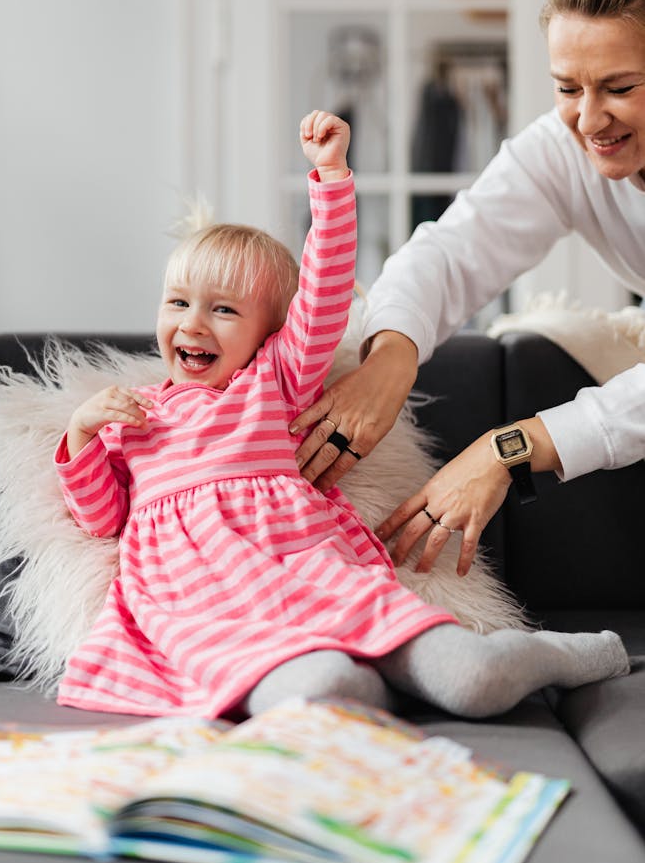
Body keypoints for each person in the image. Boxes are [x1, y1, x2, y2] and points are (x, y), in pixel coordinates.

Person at [55, 110, 628, 722]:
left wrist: (330, 180)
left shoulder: (271, 383)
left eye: (223, 310)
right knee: (323, 692)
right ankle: (367, 688)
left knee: (474, 679)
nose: (193, 323)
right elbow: (101, 518)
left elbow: (325, 293)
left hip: (316, 584)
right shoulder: (132, 418)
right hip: (204, 621)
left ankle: (561, 657)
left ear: (268, 334)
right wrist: (81, 434)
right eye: (178, 303)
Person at [290, 0, 645, 582]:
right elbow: (451, 251)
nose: (590, 118)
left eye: (618, 87)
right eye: (568, 87)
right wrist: (391, 356)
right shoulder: (562, 151)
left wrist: (509, 448)